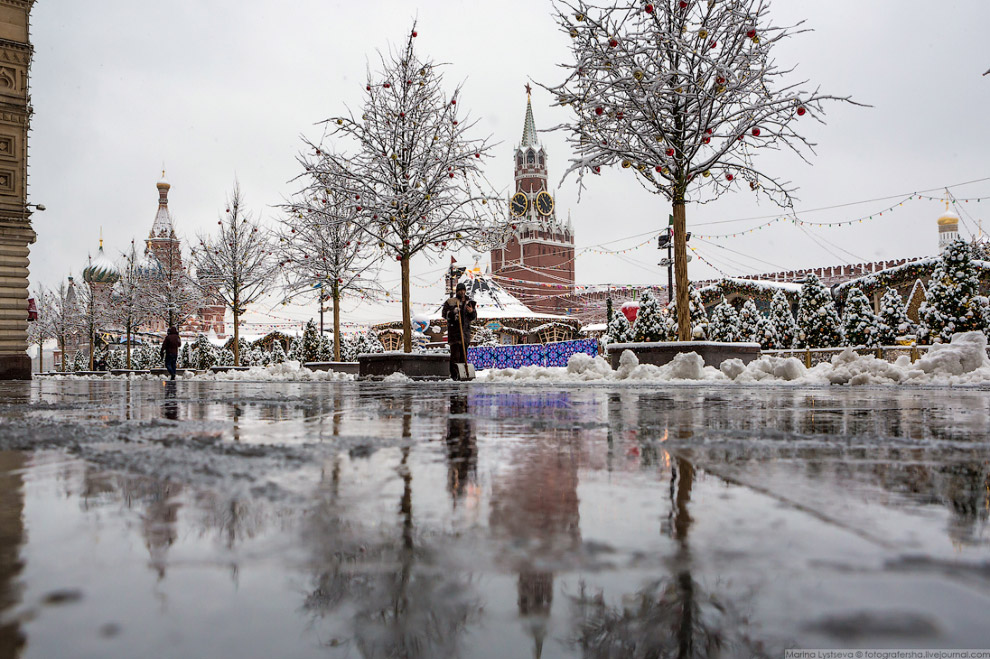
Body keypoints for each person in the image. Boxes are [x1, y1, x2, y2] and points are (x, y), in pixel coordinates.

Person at [442, 282, 477, 380]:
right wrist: (452, 313)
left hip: (465, 333)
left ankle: (463, 374)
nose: (462, 292)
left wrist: (471, 312)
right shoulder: (451, 302)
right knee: (455, 356)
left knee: (463, 355)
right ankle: (454, 375)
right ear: (457, 291)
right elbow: (444, 314)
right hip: (455, 334)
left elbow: (473, 317)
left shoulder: (469, 302)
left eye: (463, 290)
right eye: (460, 290)